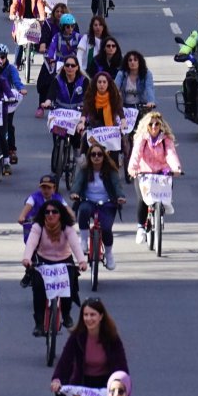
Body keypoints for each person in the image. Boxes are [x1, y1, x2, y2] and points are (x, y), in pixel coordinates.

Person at [22, 198, 86, 335]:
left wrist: (81, 261)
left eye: (54, 212)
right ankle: (39, 324)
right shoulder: (38, 227)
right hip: (43, 261)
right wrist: (27, 258)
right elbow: (31, 243)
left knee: (68, 288)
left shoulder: (67, 228)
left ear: (61, 214)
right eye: (47, 212)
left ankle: (67, 315)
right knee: (38, 289)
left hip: (64, 261)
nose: (50, 215)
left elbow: (75, 245)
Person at [127, 111, 180, 244]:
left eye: (157, 124)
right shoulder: (142, 140)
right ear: (147, 126)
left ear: (161, 125)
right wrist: (132, 169)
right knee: (142, 199)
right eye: (151, 124)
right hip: (144, 174)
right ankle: (140, 227)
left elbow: (171, 154)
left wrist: (176, 168)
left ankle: (166, 202)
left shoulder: (166, 140)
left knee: (169, 179)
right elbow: (136, 155)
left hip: (161, 172)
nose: (154, 127)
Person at [71, 142, 125, 270]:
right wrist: (74, 193)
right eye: (93, 154)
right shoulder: (84, 171)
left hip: (107, 203)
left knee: (106, 229)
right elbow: (77, 184)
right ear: (89, 157)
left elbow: (117, 185)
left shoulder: (111, 171)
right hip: (88, 201)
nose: (96, 157)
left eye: (99, 154)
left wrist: (120, 196)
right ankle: (83, 241)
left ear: (104, 157)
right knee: (83, 210)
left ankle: (109, 254)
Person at [40, 54, 88, 155]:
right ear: (64, 67)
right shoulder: (57, 80)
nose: (70, 68)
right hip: (60, 112)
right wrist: (47, 102)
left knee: (76, 140)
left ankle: (76, 153)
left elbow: (88, 98)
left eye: (72, 65)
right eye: (67, 65)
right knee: (56, 141)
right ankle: (55, 168)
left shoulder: (84, 81)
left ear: (77, 67)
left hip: (77, 112)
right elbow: (51, 94)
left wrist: (86, 108)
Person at [37, 15, 83, 115]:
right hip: (60, 64)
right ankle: (49, 101)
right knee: (54, 80)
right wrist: (51, 58)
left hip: (74, 64)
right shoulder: (57, 37)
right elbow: (52, 49)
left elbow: (84, 47)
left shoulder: (78, 37)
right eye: (67, 27)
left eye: (72, 26)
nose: (70, 29)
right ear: (62, 27)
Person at [0, 44, 28, 164]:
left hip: (8, 100)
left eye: (3, 57)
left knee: (9, 125)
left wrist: (21, 89)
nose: (0, 59)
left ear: (6, 57)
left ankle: (11, 150)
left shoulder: (11, 68)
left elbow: (17, 80)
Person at [19, 174, 68, 241]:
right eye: (44, 188)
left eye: (49, 188)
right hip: (34, 223)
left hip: (51, 224)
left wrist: (70, 217)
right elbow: (28, 205)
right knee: (30, 240)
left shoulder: (58, 198)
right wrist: (22, 216)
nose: (46, 190)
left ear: (54, 188)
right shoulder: (34, 197)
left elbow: (66, 208)